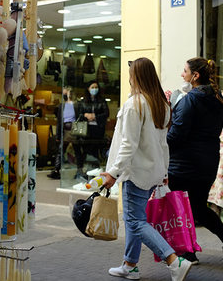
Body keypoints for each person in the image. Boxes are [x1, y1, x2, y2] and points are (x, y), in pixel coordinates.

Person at [100, 58, 192, 281]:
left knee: (134, 221)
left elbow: (127, 145)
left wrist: (113, 172)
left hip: (135, 172)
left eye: (131, 73)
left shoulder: (135, 104)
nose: (129, 77)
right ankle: (130, 265)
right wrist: (164, 172)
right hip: (151, 171)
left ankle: (173, 261)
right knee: (135, 218)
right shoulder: (160, 104)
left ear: (137, 76)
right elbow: (163, 144)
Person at [167, 57, 223, 264]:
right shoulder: (217, 99)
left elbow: (176, 135)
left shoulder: (190, 99)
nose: (182, 75)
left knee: (180, 210)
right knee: (199, 208)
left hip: (184, 165)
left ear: (195, 76)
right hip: (207, 163)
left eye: (185, 71)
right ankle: (190, 250)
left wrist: (161, 145)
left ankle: (187, 252)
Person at [47, 87, 84, 180]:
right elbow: (59, 121)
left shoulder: (77, 104)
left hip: (74, 129)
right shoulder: (61, 106)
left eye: (67, 93)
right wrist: (58, 135)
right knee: (60, 151)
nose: (67, 95)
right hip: (65, 130)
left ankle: (79, 170)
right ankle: (56, 170)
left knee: (77, 151)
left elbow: (81, 117)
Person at [81, 80, 109, 168]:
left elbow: (106, 114)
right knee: (87, 149)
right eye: (92, 87)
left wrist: (95, 116)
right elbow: (79, 114)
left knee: (96, 149)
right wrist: (86, 115)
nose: (94, 89)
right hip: (86, 129)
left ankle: (95, 168)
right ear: (88, 89)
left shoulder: (102, 100)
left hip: (98, 128)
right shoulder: (83, 101)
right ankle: (89, 168)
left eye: (96, 87)